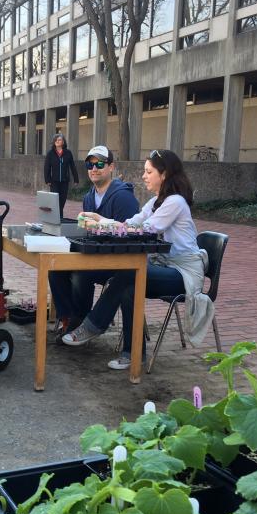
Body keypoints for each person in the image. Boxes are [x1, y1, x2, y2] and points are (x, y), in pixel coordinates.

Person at [61, 150, 212, 370]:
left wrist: (102, 225)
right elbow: (132, 222)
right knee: (129, 284)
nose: (144, 176)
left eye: (149, 171)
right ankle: (133, 354)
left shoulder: (175, 202)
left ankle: (94, 325)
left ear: (165, 174)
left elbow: (147, 228)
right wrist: (101, 220)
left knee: (131, 271)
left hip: (183, 274)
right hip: (163, 267)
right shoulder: (155, 202)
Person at [48, 145, 139, 337]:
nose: (94, 168)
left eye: (99, 163)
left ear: (111, 167)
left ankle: (80, 321)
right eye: (90, 165)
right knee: (55, 266)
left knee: (81, 273)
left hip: (119, 261)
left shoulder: (123, 197)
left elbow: (129, 236)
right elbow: (89, 233)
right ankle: (68, 319)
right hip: (95, 254)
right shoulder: (89, 196)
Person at [43, 133, 79, 218]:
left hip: (64, 181)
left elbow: (72, 166)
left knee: (62, 201)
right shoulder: (50, 153)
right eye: (57, 140)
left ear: (63, 142)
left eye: (60, 140)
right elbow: (46, 167)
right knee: (55, 201)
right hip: (54, 182)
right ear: (54, 142)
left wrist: (76, 179)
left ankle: (59, 217)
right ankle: (58, 218)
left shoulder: (68, 153)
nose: (59, 141)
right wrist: (47, 180)